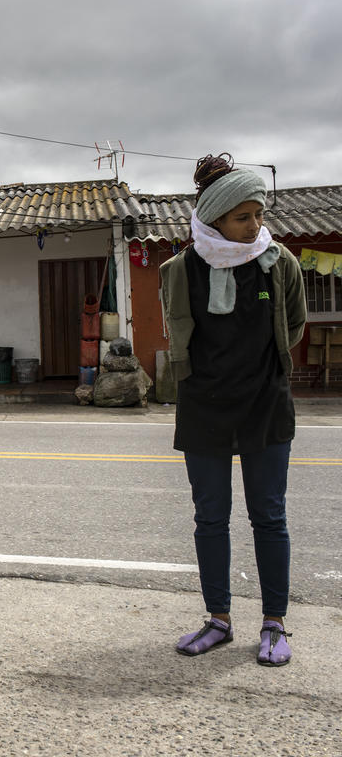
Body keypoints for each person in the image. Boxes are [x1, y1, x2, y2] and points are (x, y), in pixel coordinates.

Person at [160, 154, 306, 667]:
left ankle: (274, 622)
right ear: (214, 218)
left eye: (258, 215)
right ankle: (217, 619)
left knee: (269, 516)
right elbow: (178, 332)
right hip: (204, 406)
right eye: (243, 217)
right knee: (209, 518)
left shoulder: (279, 262)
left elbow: (294, 323)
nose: (255, 225)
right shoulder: (180, 270)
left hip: (266, 402)